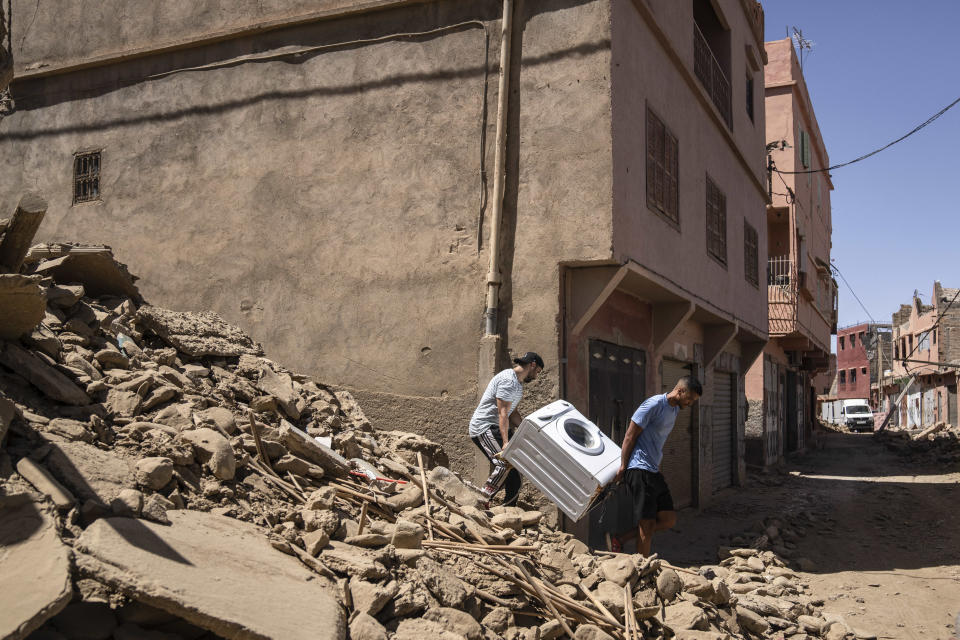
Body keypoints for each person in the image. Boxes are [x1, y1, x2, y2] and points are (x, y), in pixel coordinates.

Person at [606, 375, 702, 555]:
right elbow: (629, 435)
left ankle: (621, 538)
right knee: (646, 525)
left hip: (652, 470)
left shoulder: (674, 409)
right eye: (689, 399)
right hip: (639, 468)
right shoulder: (654, 405)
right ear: (680, 391)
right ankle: (643, 570)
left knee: (668, 519)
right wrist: (623, 466)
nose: (690, 403)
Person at [469, 352, 544, 507]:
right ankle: (482, 499)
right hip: (486, 427)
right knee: (504, 463)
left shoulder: (518, 384)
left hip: (498, 427)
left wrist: (528, 429)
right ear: (533, 364)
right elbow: (502, 413)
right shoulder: (508, 380)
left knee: (515, 474)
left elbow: (512, 413)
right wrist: (505, 442)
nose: (536, 377)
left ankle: (508, 511)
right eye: (537, 372)